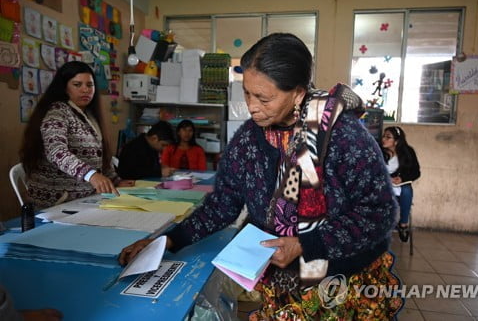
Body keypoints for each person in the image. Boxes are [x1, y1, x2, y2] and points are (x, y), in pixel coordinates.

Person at [120, 33, 402, 319]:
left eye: (263, 98)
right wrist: (167, 241)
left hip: (339, 286)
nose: (251, 106)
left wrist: (306, 244)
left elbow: (379, 212)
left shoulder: (343, 135)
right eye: (247, 93)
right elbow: (223, 204)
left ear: (298, 93)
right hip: (280, 283)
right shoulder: (249, 140)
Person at [19, 61, 134, 209]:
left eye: (89, 85)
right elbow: (56, 151)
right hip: (56, 202)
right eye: (77, 85)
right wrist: (90, 175)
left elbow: (99, 157)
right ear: (65, 88)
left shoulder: (90, 116)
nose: (85, 90)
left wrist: (115, 180)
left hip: (85, 199)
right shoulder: (57, 112)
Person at [382, 126, 421, 242]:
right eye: (383, 136)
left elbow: (416, 172)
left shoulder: (407, 152)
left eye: (388, 137)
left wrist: (402, 178)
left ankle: (403, 224)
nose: (384, 139)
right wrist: (387, 178)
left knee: (407, 190)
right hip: (383, 187)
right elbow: (372, 170)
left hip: (398, 188)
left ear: (397, 141)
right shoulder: (379, 152)